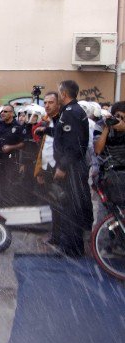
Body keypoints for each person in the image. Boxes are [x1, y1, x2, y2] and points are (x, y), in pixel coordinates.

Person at [53, 80, 93, 257]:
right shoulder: (71, 111)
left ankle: (72, 248)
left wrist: (62, 166)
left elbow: (74, 144)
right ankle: (68, 245)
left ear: (63, 94)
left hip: (72, 168)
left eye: (58, 92)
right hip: (72, 165)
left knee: (72, 207)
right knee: (68, 205)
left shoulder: (71, 113)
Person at [33, 92, 62, 246]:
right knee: (53, 204)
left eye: (51, 102)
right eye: (45, 102)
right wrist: (41, 170)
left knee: (59, 204)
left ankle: (58, 236)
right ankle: (55, 234)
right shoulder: (50, 122)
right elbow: (45, 148)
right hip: (48, 169)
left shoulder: (60, 122)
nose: (47, 105)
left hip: (58, 170)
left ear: (58, 104)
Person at [0, 104, 24, 207]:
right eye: (2, 112)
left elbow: (23, 144)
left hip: (11, 160)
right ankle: (0, 207)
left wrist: (11, 147)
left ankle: (11, 206)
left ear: (12, 113)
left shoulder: (18, 126)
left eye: (5, 112)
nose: (2, 113)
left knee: (10, 183)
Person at [94, 102, 125, 211]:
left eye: (123, 118)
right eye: (117, 116)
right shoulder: (101, 124)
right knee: (106, 214)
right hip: (109, 177)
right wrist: (107, 128)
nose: (119, 120)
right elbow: (97, 149)